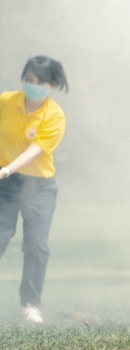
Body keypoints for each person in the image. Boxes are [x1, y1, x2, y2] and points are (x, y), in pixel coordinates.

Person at [0, 56, 68, 324]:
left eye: (40, 81)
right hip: (6, 186)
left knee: (36, 246)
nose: (33, 85)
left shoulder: (54, 116)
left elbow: (34, 151)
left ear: (52, 85)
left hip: (39, 187)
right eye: (29, 79)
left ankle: (30, 305)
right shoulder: (6, 101)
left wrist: (6, 170)